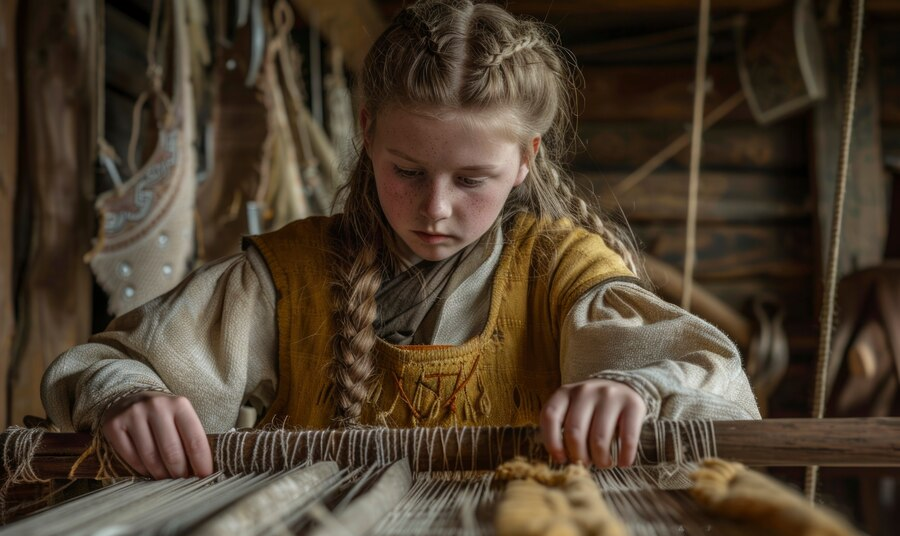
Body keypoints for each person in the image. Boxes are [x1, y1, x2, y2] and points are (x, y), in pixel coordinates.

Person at [41, 0, 759, 480]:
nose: (435, 208)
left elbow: (709, 379)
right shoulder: (286, 278)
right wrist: (126, 397)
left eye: (472, 179)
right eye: (407, 171)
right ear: (368, 131)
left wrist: (631, 386)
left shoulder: (564, 275)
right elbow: (106, 362)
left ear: (526, 160)